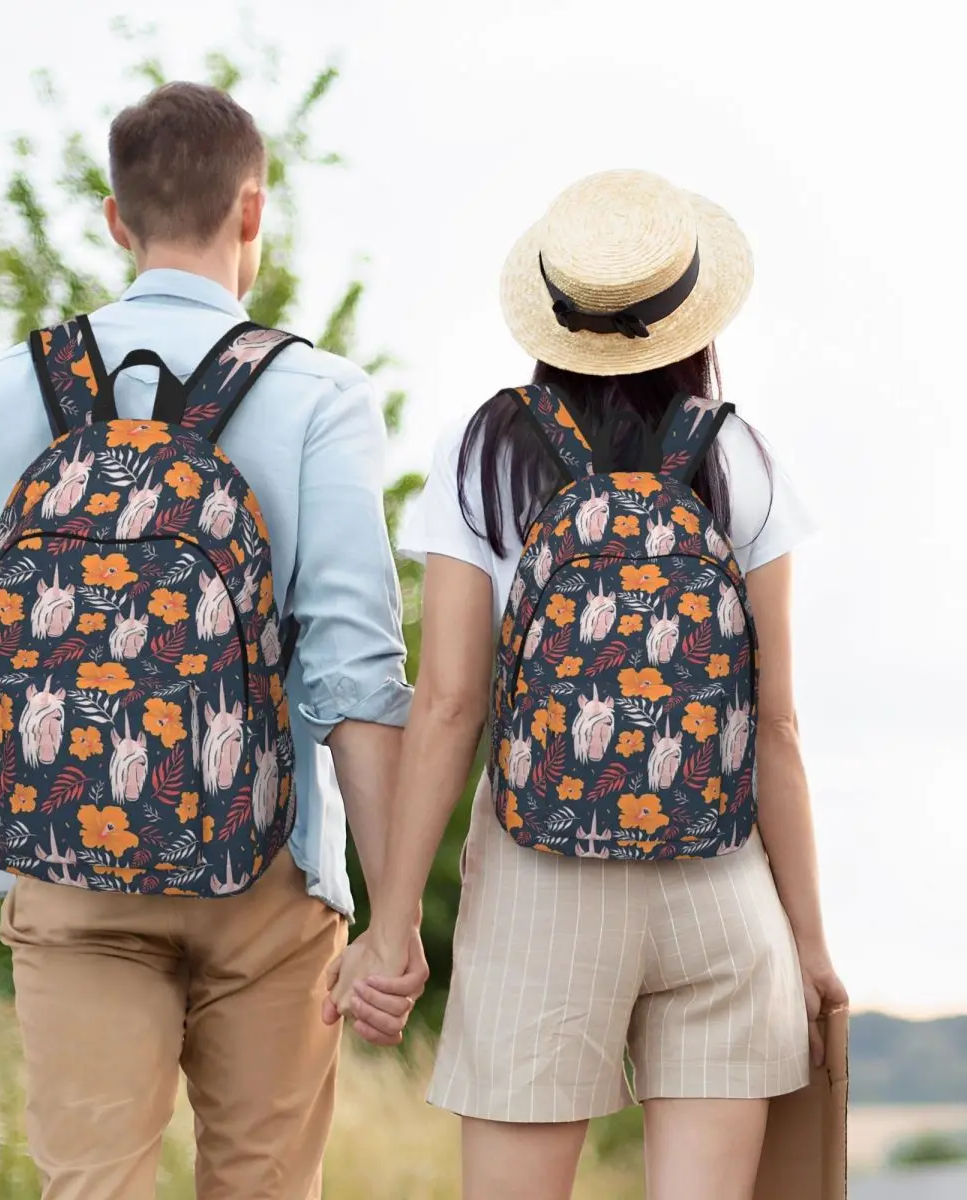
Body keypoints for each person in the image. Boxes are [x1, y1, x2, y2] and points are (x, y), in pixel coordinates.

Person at [0, 81, 428, 1200]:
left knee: (92, 1186)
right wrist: (395, 916)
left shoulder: (1, 396)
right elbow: (356, 680)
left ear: (116, 219)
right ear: (253, 213)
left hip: (65, 873)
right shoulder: (318, 394)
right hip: (267, 871)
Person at [326, 169, 848, 1200]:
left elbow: (449, 705)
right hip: (721, 886)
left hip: (539, 884)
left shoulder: (486, 451)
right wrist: (810, 943)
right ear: (691, 314)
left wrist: (390, 928)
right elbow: (776, 723)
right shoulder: (741, 456)